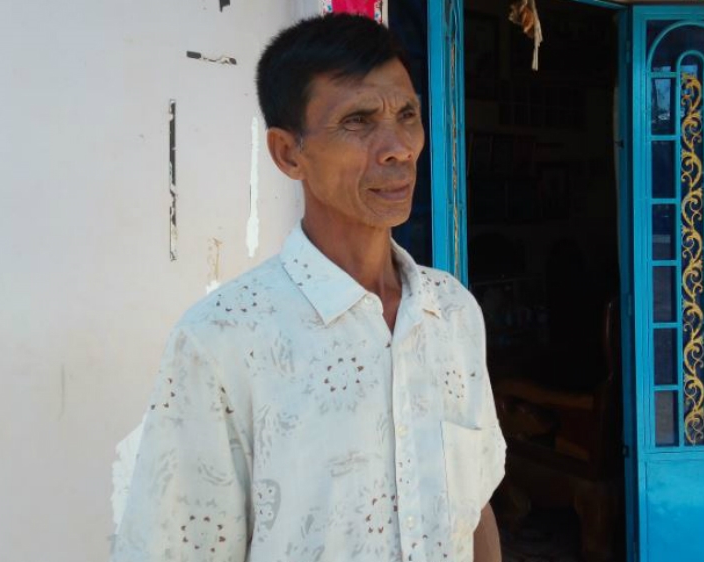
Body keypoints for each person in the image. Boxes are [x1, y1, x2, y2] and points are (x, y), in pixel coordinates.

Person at [111, 13, 505, 562]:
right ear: (288, 154)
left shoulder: (453, 313)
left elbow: (476, 508)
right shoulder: (223, 340)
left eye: (407, 115)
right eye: (359, 121)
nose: (398, 147)